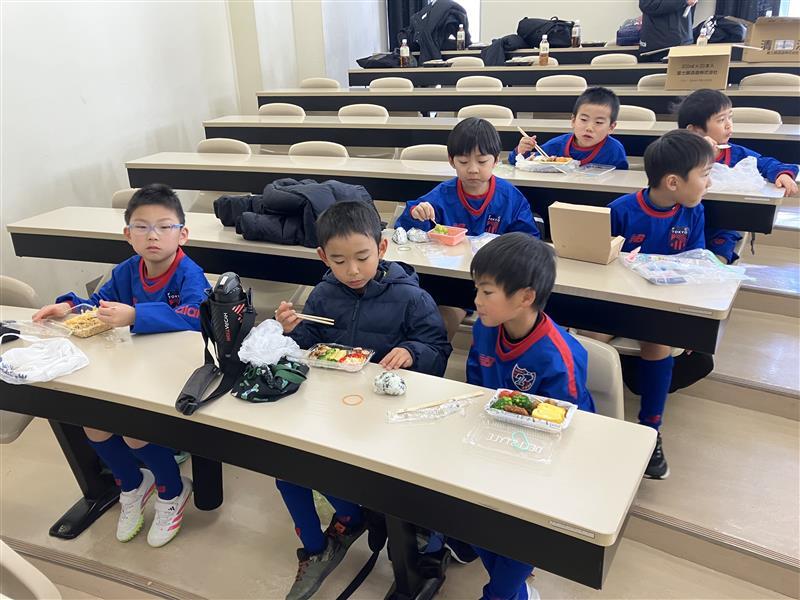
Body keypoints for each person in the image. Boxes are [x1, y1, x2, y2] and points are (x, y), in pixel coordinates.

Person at [274, 201, 451, 600]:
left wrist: (412, 352)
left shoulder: (411, 297)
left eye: (362, 257)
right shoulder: (323, 294)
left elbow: (438, 350)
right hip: (335, 408)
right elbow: (310, 344)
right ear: (324, 257)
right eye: (339, 261)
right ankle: (327, 537)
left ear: (382, 248)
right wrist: (292, 331)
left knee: (392, 488)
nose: (352, 270)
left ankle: (409, 540)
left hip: (390, 417)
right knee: (286, 467)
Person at [33, 183, 208, 547]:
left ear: (183, 234)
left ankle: (172, 489)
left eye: (164, 226)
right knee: (94, 424)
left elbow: (195, 318)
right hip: (133, 368)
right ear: (128, 235)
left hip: (174, 372)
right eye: (142, 227)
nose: (153, 235)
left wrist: (136, 315)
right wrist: (69, 306)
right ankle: (132, 483)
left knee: (132, 430)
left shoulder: (189, 273)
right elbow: (98, 302)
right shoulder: (127, 270)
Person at [465, 232, 595, 600]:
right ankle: (515, 590)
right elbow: (476, 385)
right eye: (476, 290)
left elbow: (566, 430)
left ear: (525, 297)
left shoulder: (559, 357)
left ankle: (502, 593)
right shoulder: (485, 328)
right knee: (460, 510)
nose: (476, 301)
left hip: (548, 458)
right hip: (495, 442)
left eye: (486, 292)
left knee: (522, 530)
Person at [608, 130, 714, 479]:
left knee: (659, 343)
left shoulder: (693, 213)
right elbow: (599, 257)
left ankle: (650, 429)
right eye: (704, 175)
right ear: (673, 182)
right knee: (587, 339)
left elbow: (695, 263)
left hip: (658, 307)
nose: (709, 183)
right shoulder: (621, 210)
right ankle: (589, 415)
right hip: (617, 301)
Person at [395, 117, 540, 338]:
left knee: (507, 327)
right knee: (438, 326)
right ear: (451, 161)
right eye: (463, 162)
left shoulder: (510, 198)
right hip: (451, 282)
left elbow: (529, 241)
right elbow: (405, 228)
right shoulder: (442, 194)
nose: (472, 169)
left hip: (498, 283)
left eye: (482, 161)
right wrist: (417, 213)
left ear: (496, 160)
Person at [677, 88, 799, 263]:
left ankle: (718, 265)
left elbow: (766, 163)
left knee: (721, 247)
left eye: (730, 117)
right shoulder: (678, 154)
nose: (729, 125)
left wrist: (782, 174)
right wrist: (699, 153)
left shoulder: (736, 153)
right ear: (695, 131)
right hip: (683, 222)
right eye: (721, 120)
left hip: (720, 224)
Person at [508, 86, 629, 170]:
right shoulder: (557, 145)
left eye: (598, 122)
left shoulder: (614, 150)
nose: (589, 128)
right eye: (583, 120)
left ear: (611, 127)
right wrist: (521, 151)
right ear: (573, 121)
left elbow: (621, 178)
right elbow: (521, 163)